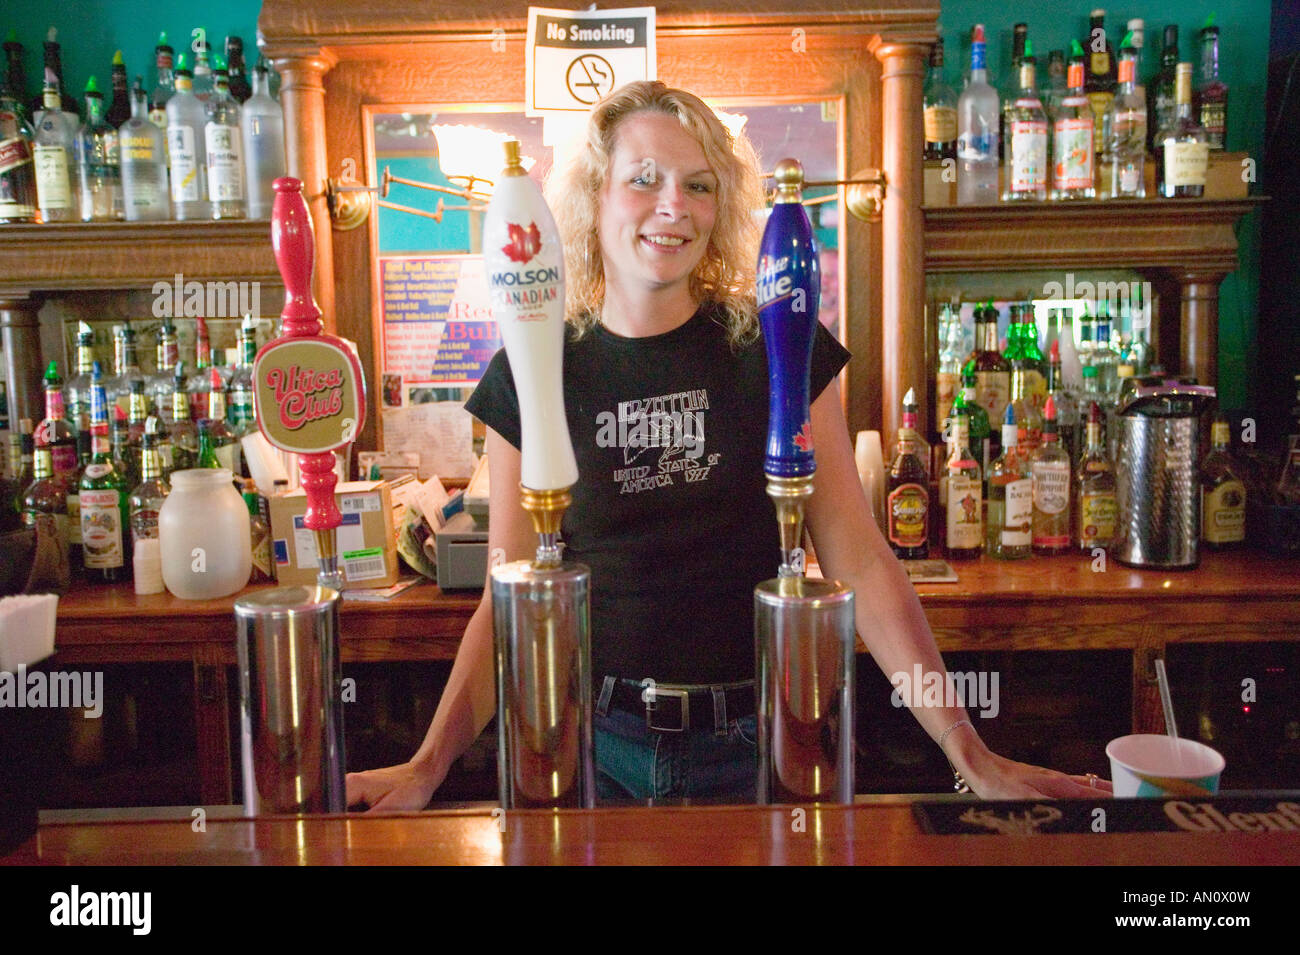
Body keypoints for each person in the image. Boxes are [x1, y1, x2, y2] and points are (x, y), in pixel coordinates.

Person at [347, 81, 1113, 808]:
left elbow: (861, 559)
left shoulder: (776, 343)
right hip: (592, 744)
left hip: (763, 739)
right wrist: (427, 764)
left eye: (699, 184)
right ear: (593, 198)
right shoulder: (535, 363)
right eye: (643, 179)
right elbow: (506, 602)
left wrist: (966, 749)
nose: (673, 205)